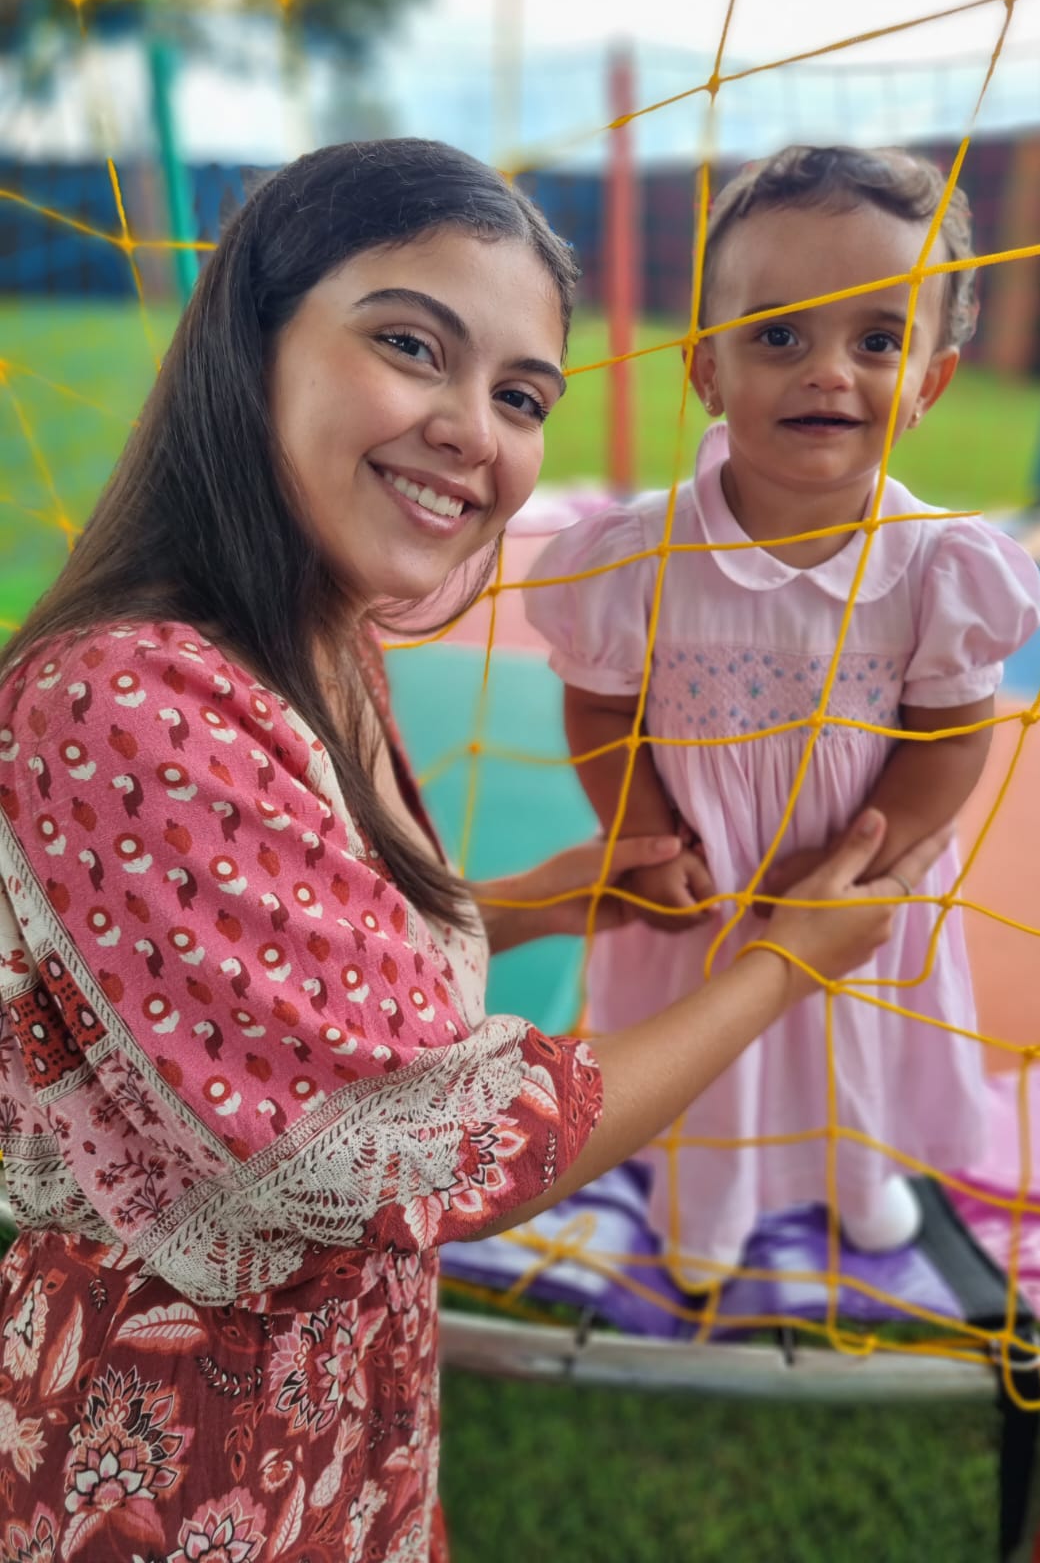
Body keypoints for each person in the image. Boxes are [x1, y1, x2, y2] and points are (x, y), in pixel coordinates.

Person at [0, 138, 948, 1563]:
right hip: (173, 1459)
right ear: (252, 339)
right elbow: (453, 1137)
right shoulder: (127, 695)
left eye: (519, 396)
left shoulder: (309, 635)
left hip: (327, 1412)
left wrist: (536, 904)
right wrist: (782, 967)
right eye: (410, 345)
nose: (473, 430)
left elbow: (281, 995)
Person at [525, 144, 1040, 1280]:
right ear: (706, 367)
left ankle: (860, 1182)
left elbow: (953, 736)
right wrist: (648, 836)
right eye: (779, 335)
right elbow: (601, 708)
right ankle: (703, 1216)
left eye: (878, 339)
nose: (828, 372)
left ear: (930, 381)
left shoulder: (939, 567)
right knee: (710, 1049)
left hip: (851, 885)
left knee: (847, 1045)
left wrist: (871, 857)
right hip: (703, 879)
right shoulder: (639, 556)